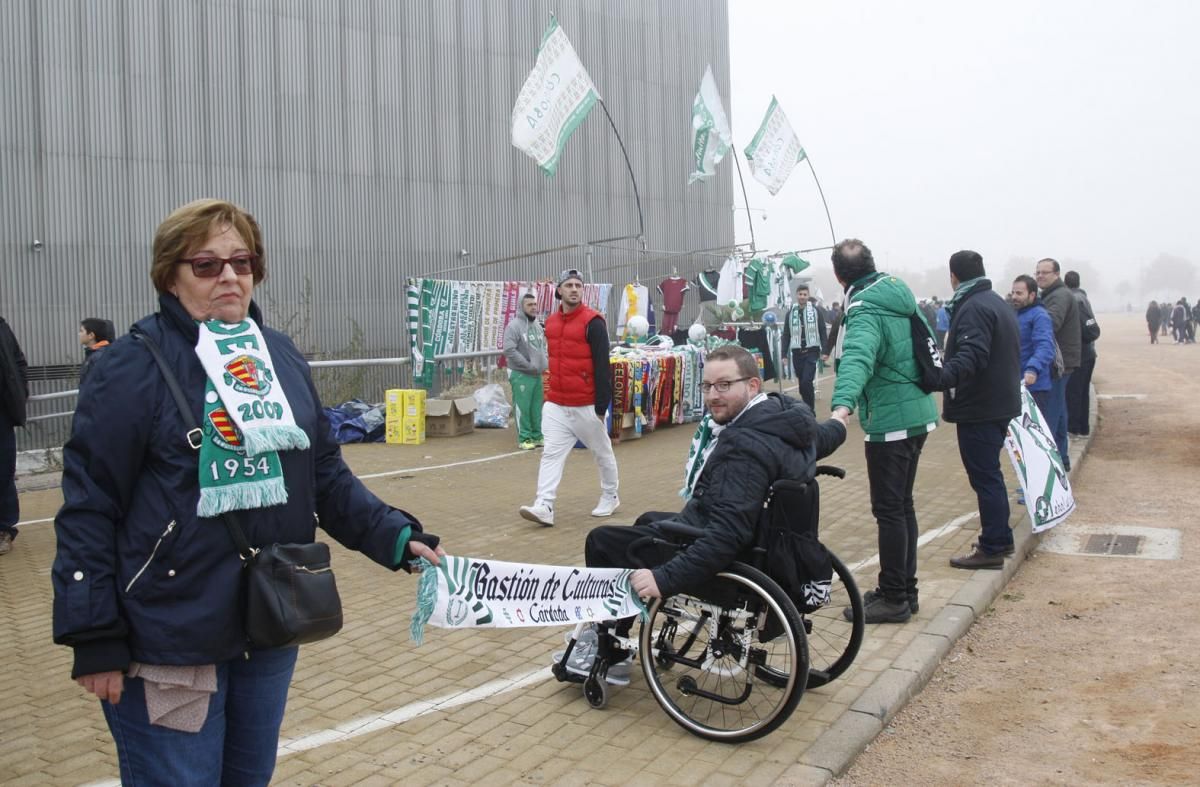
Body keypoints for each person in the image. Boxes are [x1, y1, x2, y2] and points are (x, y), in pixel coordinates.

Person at [51, 199, 446, 786]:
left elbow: (323, 472)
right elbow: (90, 503)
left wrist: (393, 534)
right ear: (171, 275)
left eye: (242, 261)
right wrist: (94, 632)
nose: (230, 276)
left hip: (270, 623)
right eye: (206, 265)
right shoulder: (132, 366)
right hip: (170, 639)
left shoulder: (279, 356)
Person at [565, 345, 847, 675]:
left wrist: (663, 579)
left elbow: (727, 535)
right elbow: (822, 437)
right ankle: (618, 626)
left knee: (601, 541)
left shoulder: (743, 448)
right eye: (708, 386)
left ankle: (609, 649)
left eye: (724, 385)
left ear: (752, 385)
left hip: (730, 554)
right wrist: (840, 421)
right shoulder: (784, 418)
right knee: (647, 521)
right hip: (770, 544)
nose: (713, 395)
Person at [829, 239, 939, 624]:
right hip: (918, 413)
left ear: (838, 275)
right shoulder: (896, 292)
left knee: (889, 510)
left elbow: (857, 357)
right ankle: (904, 589)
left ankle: (894, 597)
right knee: (902, 506)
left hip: (891, 423)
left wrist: (841, 408)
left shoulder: (864, 308)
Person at [928, 251, 1021, 569]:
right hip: (998, 402)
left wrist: (940, 377)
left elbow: (972, 355)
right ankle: (1001, 538)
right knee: (989, 475)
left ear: (954, 277)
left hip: (981, 407)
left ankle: (992, 546)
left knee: (985, 477)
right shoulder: (995, 302)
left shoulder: (973, 308)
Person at [519, 269, 618, 526]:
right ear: (559, 290)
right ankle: (544, 505)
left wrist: (601, 406)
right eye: (569, 285)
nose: (574, 289)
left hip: (586, 403)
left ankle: (610, 495)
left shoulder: (594, 322)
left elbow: (602, 365)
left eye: (578, 285)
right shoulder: (550, 323)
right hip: (557, 404)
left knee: (602, 453)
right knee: (551, 453)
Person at [1034, 258, 1079, 471]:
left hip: (1057, 364)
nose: (1040, 276)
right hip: (1062, 362)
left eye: (1045, 272)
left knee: (1049, 418)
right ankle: (1061, 461)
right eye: (1038, 272)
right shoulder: (1052, 295)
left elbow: (1051, 323)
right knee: (1059, 414)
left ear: (1057, 274)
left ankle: (1047, 471)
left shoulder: (1059, 296)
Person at [503, 293, 547, 450]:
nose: (534, 307)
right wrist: (528, 365)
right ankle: (525, 438)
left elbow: (543, 347)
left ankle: (537, 435)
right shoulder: (513, 326)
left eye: (535, 304)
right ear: (521, 307)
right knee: (523, 407)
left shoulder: (537, 326)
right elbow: (509, 350)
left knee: (536, 408)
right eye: (529, 305)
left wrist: (544, 363)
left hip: (537, 375)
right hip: (521, 374)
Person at [0, 315, 28, 557]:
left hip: (2, 414)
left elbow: (18, 363)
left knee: (3, 471)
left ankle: (4, 530)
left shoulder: (2, 328)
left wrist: (20, 394)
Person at [1011, 275, 1057, 416]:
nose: (1014, 297)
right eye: (1013, 292)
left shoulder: (1040, 316)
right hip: (1015, 384)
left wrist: (1033, 369)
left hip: (1034, 386)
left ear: (1032, 295)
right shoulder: (1014, 314)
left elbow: (1045, 346)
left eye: (1019, 293)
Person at [781, 282, 828, 411]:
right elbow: (786, 334)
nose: (802, 296)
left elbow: (822, 330)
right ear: (797, 295)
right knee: (802, 384)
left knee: (807, 381)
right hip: (797, 353)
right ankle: (807, 407)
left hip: (812, 351)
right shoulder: (790, 313)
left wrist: (825, 350)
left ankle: (810, 410)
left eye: (805, 294)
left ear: (808, 296)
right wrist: (783, 354)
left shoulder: (815, 310)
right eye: (800, 294)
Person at [1065, 271, 1099, 436]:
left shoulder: (1072, 300)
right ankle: (1083, 427)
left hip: (1079, 352)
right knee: (1083, 392)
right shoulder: (1084, 298)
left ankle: (1073, 427)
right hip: (1089, 351)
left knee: (1073, 392)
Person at [78, 317, 115, 383]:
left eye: (81, 331)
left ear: (91, 335)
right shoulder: (93, 354)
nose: (79, 334)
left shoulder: (99, 357)